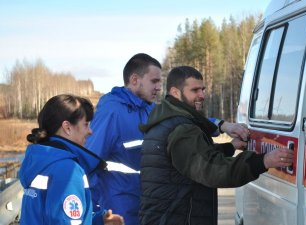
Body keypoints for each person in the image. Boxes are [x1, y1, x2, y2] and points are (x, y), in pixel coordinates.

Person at [86, 53, 250, 225]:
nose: (159, 87)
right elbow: (88, 160)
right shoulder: (111, 112)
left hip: (148, 201)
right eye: (154, 81)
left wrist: (223, 127)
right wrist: (96, 210)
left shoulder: (148, 109)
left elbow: (182, 119)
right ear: (135, 80)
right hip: (120, 206)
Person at [139, 66, 294, 225]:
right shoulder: (181, 129)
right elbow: (211, 170)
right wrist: (263, 161)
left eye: (203, 89)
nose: (202, 95)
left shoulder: (169, 121)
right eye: (195, 90)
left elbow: (194, 157)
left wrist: (230, 147)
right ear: (175, 92)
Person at [19, 94, 124, 225]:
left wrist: (98, 221)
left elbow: (49, 217)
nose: (90, 131)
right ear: (67, 127)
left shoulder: (42, 161)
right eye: (86, 124)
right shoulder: (67, 169)